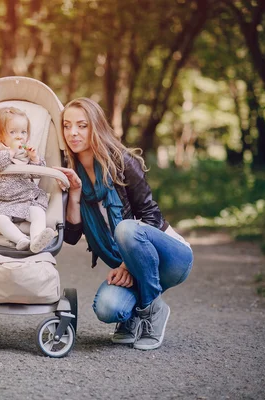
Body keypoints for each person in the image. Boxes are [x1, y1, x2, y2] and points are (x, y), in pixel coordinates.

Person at [54, 98, 193, 350]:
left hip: (171, 258)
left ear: (95, 127)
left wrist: (128, 264)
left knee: (126, 228)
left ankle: (153, 311)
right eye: (67, 125)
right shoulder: (68, 170)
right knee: (108, 307)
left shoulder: (122, 162)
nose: (73, 132)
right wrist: (74, 193)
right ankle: (134, 316)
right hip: (128, 265)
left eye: (82, 125)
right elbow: (72, 236)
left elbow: (151, 217)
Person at [0, 107, 56, 253]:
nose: (19, 137)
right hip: (0, 201)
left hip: (25, 199)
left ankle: (37, 239)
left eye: (23, 132)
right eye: (12, 132)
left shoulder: (26, 154)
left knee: (38, 212)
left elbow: (39, 173)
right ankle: (21, 240)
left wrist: (34, 159)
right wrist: (11, 152)